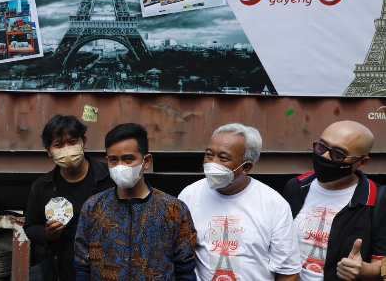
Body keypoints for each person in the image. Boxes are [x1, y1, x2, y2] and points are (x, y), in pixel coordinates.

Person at [74, 123, 197, 281]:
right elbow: (82, 264)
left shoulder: (173, 209)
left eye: (128, 159)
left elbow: (184, 267)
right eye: (113, 160)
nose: (120, 167)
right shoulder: (93, 208)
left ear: (146, 161)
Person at [178, 123, 301, 281]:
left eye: (223, 158)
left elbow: (288, 271)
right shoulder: (189, 195)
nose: (212, 164)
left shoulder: (273, 204)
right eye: (209, 155)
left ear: (246, 167)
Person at [283, 121, 386, 281]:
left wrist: (363, 270)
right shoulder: (295, 187)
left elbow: (381, 264)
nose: (324, 156)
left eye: (338, 154)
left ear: (362, 162)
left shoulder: (378, 201)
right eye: (321, 147)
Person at [24, 115, 114, 281]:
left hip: (108, 269)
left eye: (72, 142)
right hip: (63, 271)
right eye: (59, 145)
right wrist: (47, 234)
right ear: (49, 151)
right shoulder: (42, 186)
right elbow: (30, 226)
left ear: (84, 142)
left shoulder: (109, 178)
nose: (67, 149)